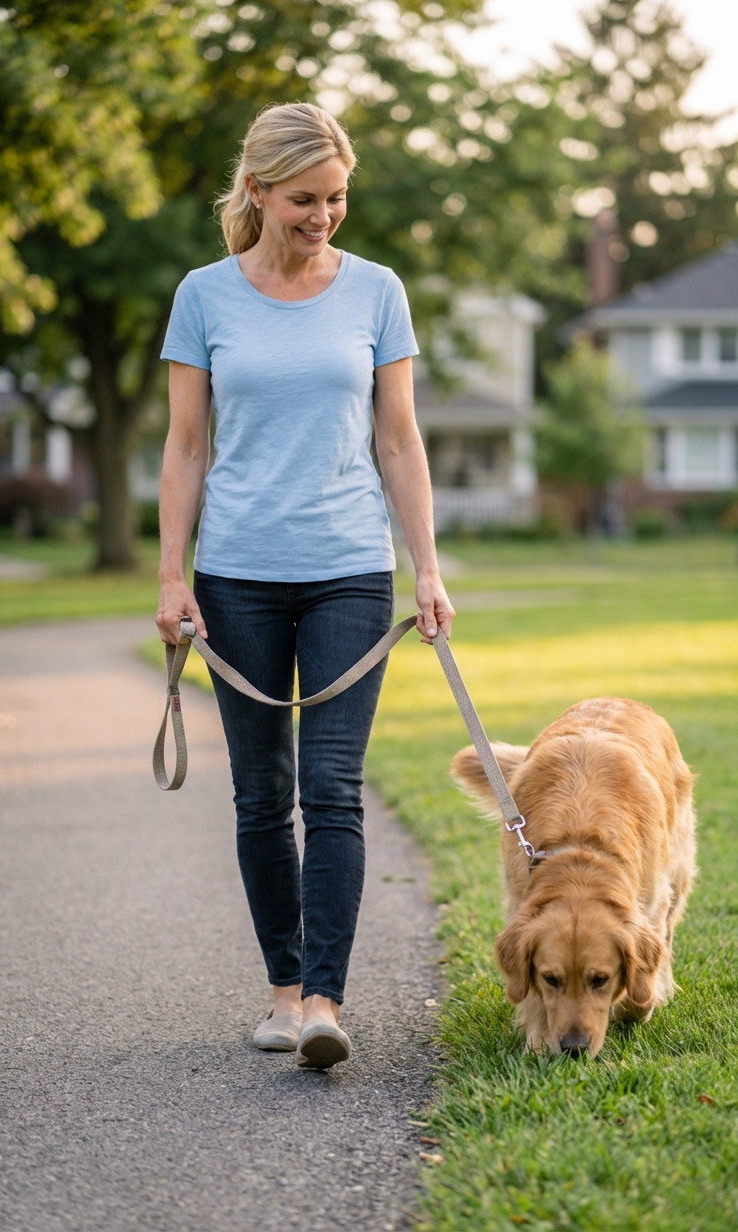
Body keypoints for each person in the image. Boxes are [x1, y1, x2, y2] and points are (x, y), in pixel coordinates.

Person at [155, 102, 454, 1070]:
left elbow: (398, 439)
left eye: (334, 198)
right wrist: (171, 577)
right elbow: (185, 446)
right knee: (259, 794)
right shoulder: (203, 295)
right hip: (235, 574)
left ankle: (325, 1000)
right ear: (255, 191)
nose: (322, 215)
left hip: (347, 573)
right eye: (301, 199)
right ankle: (282, 993)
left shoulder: (375, 291)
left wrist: (428, 567)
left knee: (330, 788)